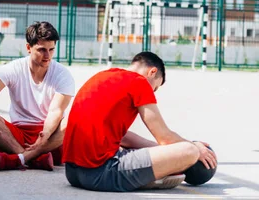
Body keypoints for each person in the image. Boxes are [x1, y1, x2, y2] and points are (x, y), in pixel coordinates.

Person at [63, 51, 217, 192]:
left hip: (73, 173)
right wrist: (195, 147)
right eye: (155, 88)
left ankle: (150, 174)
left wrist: (162, 152)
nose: (152, 92)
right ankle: (151, 177)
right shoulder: (139, 82)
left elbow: (124, 137)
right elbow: (164, 136)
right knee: (188, 152)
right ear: (152, 72)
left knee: (170, 150)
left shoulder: (102, 76)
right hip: (101, 173)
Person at [0, 21, 75, 171]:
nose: (47, 55)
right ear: (28, 47)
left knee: (73, 118)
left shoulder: (63, 74)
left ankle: (21, 159)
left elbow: (56, 111)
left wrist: (45, 134)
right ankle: (31, 158)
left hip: (49, 138)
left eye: (51, 50)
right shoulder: (14, 68)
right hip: (16, 137)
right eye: (42, 50)